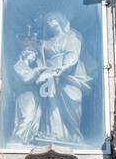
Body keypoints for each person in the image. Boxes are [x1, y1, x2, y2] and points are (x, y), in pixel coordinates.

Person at [10, 13, 91, 145]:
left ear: (60, 20)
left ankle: (73, 134)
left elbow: (72, 56)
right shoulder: (46, 43)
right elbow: (37, 55)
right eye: (47, 21)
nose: (49, 23)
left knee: (72, 104)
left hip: (67, 75)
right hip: (49, 78)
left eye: (52, 19)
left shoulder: (71, 37)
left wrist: (60, 70)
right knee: (51, 104)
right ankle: (54, 133)